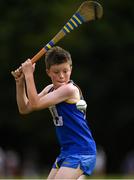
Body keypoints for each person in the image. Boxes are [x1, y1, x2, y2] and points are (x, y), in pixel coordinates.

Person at [11, 46, 96, 179]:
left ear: (71, 69)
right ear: (48, 72)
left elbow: (35, 104)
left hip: (82, 151)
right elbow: (25, 108)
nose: (61, 76)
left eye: (65, 71)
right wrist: (20, 82)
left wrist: (28, 74)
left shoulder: (69, 90)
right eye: (56, 72)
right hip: (67, 151)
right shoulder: (50, 89)